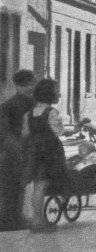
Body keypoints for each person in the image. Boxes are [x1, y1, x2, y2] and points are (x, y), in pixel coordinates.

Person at [22, 78, 67, 232]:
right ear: (51, 95)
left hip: (34, 151)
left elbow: (25, 133)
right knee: (42, 185)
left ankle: (35, 219)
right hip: (49, 152)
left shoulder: (30, 113)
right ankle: (38, 222)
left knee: (36, 185)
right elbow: (59, 131)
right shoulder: (52, 112)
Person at [0, 69, 36, 231]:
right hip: (19, 147)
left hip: (7, 148)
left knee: (9, 185)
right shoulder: (29, 104)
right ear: (28, 85)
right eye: (30, 84)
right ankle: (14, 219)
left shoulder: (7, 105)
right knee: (18, 184)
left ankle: (10, 218)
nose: (31, 88)